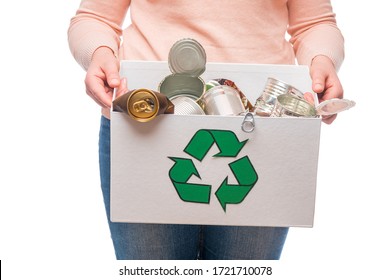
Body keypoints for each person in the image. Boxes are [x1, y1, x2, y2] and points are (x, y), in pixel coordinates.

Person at [68, 0, 344, 260]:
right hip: (143, 122)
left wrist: (323, 61)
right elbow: (95, 17)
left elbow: (314, 23)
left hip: (265, 124)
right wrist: (99, 54)